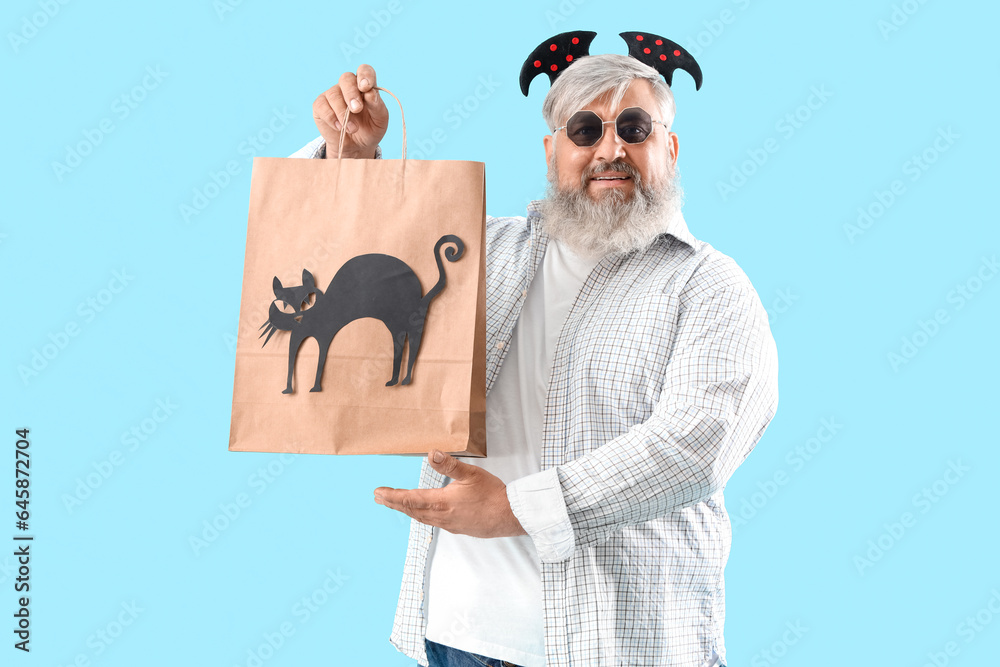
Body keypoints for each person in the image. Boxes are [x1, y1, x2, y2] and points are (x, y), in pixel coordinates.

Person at [292, 52, 778, 667]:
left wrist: (521, 508)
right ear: (552, 151)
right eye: (584, 130)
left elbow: (698, 444)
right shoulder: (479, 249)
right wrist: (352, 158)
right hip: (456, 635)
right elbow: (348, 265)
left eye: (634, 128)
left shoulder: (709, 286)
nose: (610, 150)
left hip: (620, 646)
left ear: (670, 149)